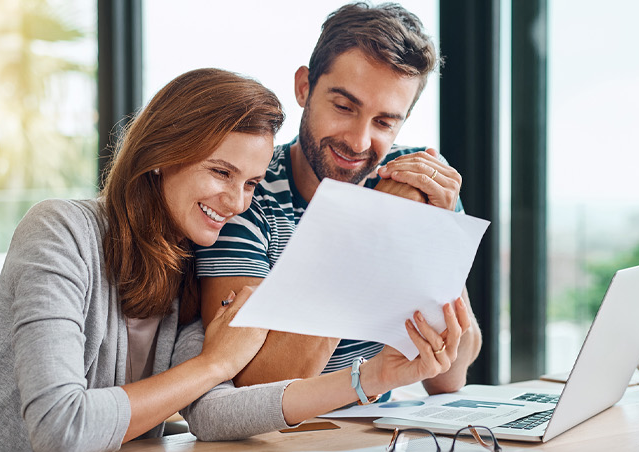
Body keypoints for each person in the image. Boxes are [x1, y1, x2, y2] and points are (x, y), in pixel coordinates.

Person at [0, 68, 477, 452]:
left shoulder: (186, 263)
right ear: (161, 156)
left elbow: (211, 415)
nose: (235, 203)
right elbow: (63, 427)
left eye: (252, 182)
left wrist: (371, 378)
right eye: (220, 171)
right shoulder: (59, 231)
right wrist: (213, 364)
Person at [196, 2, 480, 394]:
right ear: (304, 87)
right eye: (344, 107)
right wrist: (370, 229)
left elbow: (448, 377)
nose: (359, 141)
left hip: (381, 430)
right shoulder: (246, 194)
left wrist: (437, 232)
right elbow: (250, 384)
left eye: (384, 122)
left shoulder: (417, 180)